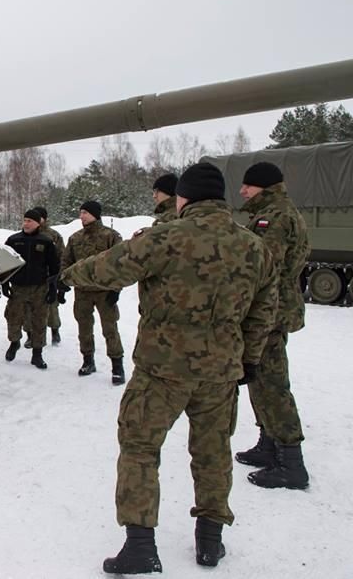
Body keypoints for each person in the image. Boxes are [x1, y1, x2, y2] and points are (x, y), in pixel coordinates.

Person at [61, 162, 278, 573]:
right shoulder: (254, 246)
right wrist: (247, 359)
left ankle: (141, 546)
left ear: (185, 198)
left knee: (140, 448)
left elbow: (109, 268)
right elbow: (263, 311)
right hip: (220, 374)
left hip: (162, 370)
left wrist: (68, 275)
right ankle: (210, 542)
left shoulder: (165, 237)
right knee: (213, 453)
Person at [234, 162, 311, 490]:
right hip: (272, 309)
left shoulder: (275, 217)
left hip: (270, 312)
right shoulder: (275, 211)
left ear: (264, 186)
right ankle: (269, 444)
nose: (242, 191)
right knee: (260, 380)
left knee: (273, 384)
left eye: (248, 186)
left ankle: (291, 461)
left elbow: (262, 266)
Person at [62, 201, 125, 383]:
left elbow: (120, 263)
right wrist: (64, 281)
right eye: (80, 212)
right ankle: (88, 361)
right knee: (84, 329)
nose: (82, 216)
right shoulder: (75, 238)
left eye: (86, 213)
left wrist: (116, 288)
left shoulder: (110, 236)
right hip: (82, 292)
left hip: (104, 291)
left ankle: (117, 366)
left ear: (96, 215)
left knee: (110, 329)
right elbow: (66, 262)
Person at [1, 209, 60, 368]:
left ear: (38, 223)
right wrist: (4, 283)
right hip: (18, 288)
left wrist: (53, 288)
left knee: (39, 321)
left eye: (30, 221)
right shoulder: (13, 240)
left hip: (39, 288)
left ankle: (37, 353)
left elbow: (54, 267)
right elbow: (4, 264)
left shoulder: (45, 241)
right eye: (25, 220)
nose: (26, 223)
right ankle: (14, 343)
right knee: (13, 317)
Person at [23, 207, 65, 348]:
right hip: (29, 278)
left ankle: (55, 331)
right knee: (28, 309)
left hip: (48, 278)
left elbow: (61, 258)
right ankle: (30, 336)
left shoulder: (53, 236)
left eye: (39, 217)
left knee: (51, 307)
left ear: (44, 219)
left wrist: (59, 282)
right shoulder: (25, 234)